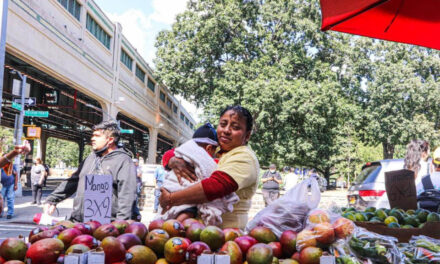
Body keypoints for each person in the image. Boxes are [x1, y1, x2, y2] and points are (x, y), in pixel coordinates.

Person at [160, 105, 259, 229]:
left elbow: (214, 187)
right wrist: (173, 160)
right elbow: (179, 152)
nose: (226, 130)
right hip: (197, 231)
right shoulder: (216, 150)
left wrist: (170, 199)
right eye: (223, 124)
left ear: (247, 135)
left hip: (226, 235)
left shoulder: (244, 157)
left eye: (235, 127)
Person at [44, 121, 138, 222]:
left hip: (105, 226)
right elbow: (73, 181)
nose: (92, 138)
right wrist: (52, 199)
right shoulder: (91, 158)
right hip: (79, 222)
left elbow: (127, 196)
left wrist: (120, 225)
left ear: (110, 140)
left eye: (97, 136)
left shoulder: (123, 161)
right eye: (93, 135)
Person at [158, 123, 238, 225]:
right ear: (209, 148)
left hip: (171, 192)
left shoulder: (181, 153)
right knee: (188, 211)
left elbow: (169, 153)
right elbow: (212, 171)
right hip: (181, 193)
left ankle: (170, 227)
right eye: (215, 150)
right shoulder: (204, 161)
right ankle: (175, 227)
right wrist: (172, 160)